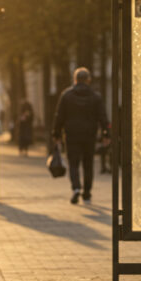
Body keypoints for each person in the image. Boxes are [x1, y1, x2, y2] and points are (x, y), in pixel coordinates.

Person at [52, 67, 109, 204]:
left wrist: (56, 133)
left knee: (73, 163)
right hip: (89, 135)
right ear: (88, 80)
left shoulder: (66, 95)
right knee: (88, 164)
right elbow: (102, 116)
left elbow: (59, 116)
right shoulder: (95, 97)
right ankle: (87, 192)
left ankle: (76, 188)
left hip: (71, 135)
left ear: (75, 79)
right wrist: (106, 133)